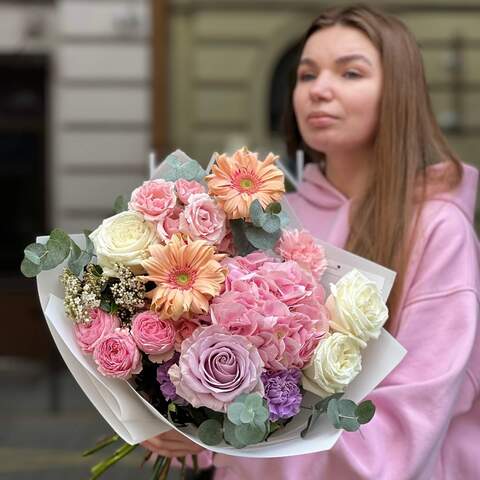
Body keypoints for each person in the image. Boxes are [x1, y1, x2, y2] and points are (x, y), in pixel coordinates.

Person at [142, 4, 480, 479]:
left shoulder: (438, 230)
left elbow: (406, 432)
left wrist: (228, 449)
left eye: (350, 73)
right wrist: (186, 426)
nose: (318, 89)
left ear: (398, 91)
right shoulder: (272, 220)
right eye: (306, 74)